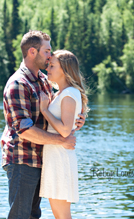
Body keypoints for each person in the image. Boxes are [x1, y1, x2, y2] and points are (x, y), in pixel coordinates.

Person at [1, 30, 85, 219]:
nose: (50, 56)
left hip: (42, 159)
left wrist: (76, 121)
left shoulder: (44, 82)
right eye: (47, 51)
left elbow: (64, 105)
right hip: (22, 160)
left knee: (32, 215)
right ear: (32, 52)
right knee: (20, 216)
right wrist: (61, 140)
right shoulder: (18, 84)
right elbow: (24, 130)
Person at [38, 50, 91, 219]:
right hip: (55, 156)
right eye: (48, 65)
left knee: (62, 215)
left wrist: (45, 110)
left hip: (60, 157)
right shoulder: (61, 93)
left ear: (65, 70)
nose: (48, 68)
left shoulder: (68, 94)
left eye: (52, 65)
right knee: (59, 214)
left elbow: (65, 130)